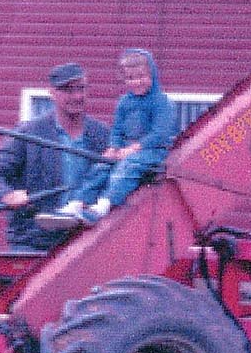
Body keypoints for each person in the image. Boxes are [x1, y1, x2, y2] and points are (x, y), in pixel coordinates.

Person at [0, 62, 110, 252]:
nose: (77, 96)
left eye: (80, 88)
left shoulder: (103, 136)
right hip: (34, 242)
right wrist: (7, 195)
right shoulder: (29, 133)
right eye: (67, 89)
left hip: (86, 243)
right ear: (52, 92)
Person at [60, 48, 177, 224]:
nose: (136, 82)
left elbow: (159, 134)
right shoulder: (124, 102)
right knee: (101, 166)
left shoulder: (161, 102)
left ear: (152, 75)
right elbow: (117, 128)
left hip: (153, 152)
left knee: (126, 167)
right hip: (126, 149)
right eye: (130, 78)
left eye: (141, 76)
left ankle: (104, 205)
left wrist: (133, 149)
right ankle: (78, 202)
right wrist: (114, 147)